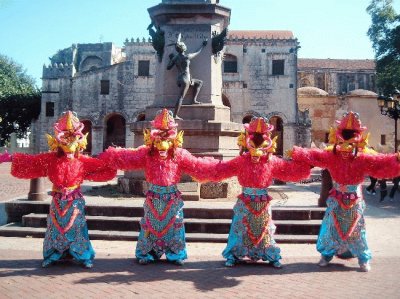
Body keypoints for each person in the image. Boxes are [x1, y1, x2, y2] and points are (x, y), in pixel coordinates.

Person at [100, 109, 218, 266]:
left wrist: (219, 169)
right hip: (154, 197)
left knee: (174, 225)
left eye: (167, 139)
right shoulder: (147, 154)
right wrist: (108, 159)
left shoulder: (179, 154)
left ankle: (175, 253)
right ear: (152, 140)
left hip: (172, 199)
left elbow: (198, 166)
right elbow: (128, 157)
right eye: (159, 140)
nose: (162, 145)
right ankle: (148, 252)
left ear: (173, 140)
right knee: (150, 225)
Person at [0, 111, 116, 268]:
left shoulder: (83, 161)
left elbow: (104, 167)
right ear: (58, 141)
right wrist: (12, 158)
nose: (69, 143)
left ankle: (83, 256)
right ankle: (53, 254)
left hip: (75, 201)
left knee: (77, 228)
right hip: (57, 200)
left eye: (72, 138)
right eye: (65, 139)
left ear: (79, 141)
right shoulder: (50, 159)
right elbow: (33, 161)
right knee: (55, 228)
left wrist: (115, 157)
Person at [291, 111, 400, 272]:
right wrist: (297, 152)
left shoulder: (364, 157)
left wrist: (396, 159)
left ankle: (363, 259)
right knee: (330, 228)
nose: (345, 149)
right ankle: (326, 255)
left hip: (354, 201)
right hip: (336, 200)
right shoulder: (331, 155)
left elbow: (380, 161)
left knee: (357, 230)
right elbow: (316, 155)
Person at [208, 117, 311, 268]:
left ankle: (271, 254)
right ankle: (234, 254)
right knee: (239, 230)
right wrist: (200, 168)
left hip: (263, 203)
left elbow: (291, 171)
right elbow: (221, 169)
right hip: (245, 201)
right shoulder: (241, 161)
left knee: (265, 230)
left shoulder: (272, 161)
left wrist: (304, 158)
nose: (256, 150)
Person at [167, 34, 208, 119]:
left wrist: (171, 59)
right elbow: (197, 52)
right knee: (181, 97)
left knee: (199, 83)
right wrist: (203, 46)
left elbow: (168, 67)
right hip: (186, 79)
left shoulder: (175, 58)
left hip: (180, 79)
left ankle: (194, 100)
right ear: (183, 48)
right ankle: (175, 116)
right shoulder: (187, 56)